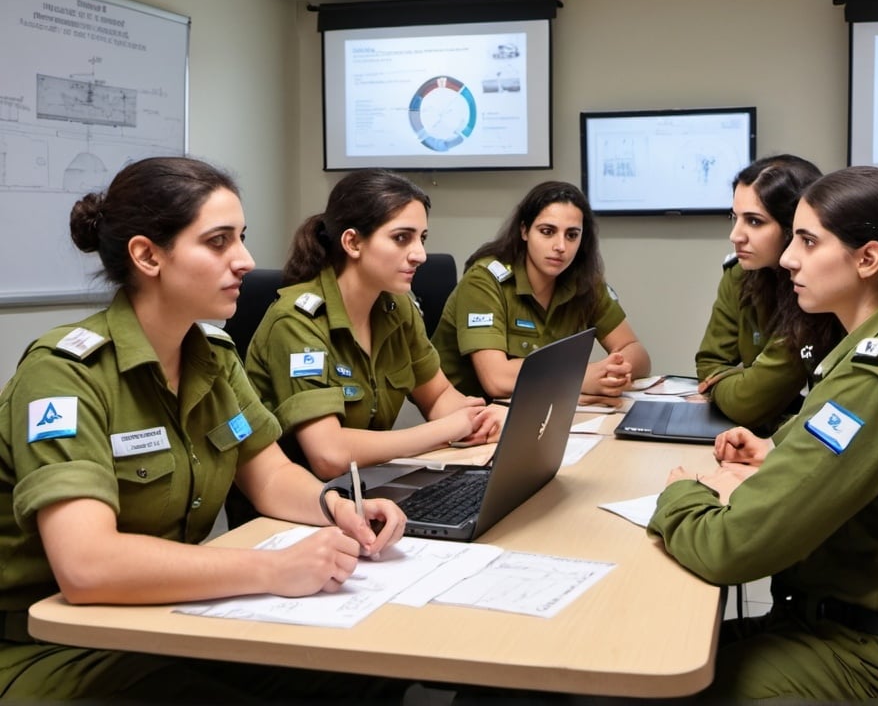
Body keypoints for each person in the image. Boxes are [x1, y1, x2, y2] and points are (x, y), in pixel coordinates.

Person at [0, 156, 408, 701]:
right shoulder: (64, 374)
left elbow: (270, 476)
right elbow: (87, 566)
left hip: (165, 618)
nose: (245, 261)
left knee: (361, 669)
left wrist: (337, 506)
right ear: (147, 255)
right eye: (218, 242)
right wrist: (271, 569)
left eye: (241, 238)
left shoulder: (212, 354)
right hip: (53, 643)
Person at [649, 166, 878, 701]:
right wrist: (779, 455)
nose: (790, 258)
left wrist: (679, 496)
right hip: (851, 625)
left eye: (808, 241)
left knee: (658, 679)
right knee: (666, 653)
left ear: (867, 258)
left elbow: (730, 548)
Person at [244, 169, 505, 481]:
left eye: (421, 238)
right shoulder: (297, 321)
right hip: (295, 511)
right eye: (401, 238)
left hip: (367, 487)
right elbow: (329, 455)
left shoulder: (397, 305)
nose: (420, 254)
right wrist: (444, 430)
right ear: (353, 242)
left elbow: (437, 396)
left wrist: (486, 417)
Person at [432, 181, 651, 401]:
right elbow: (496, 380)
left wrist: (615, 370)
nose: (560, 246)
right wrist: (580, 377)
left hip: (546, 406)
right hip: (473, 419)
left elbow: (636, 352)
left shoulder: (584, 283)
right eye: (547, 232)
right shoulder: (484, 281)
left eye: (572, 235)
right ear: (524, 231)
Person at [694, 154, 843, 432]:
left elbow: (746, 404)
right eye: (734, 217)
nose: (735, 235)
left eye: (754, 221)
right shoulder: (741, 273)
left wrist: (739, 389)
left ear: (793, 227)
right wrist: (746, 391)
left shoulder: (819, 291)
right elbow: (709, 363)